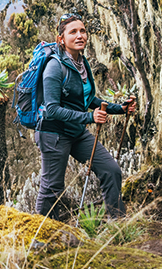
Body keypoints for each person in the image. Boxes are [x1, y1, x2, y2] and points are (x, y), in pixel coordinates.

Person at [35, 13, 136, 220]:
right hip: (54, 134)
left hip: (76, 132)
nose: (80, 35)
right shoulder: (55, 66)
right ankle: (40, 236)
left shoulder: (82, 62)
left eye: (83, 30)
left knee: (111, 170)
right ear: (61, 39)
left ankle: (117, 224)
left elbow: (88, 98)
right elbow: (52, 109)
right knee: (52, 187)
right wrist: (90, 118)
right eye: (73, 32)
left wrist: (120, 109)